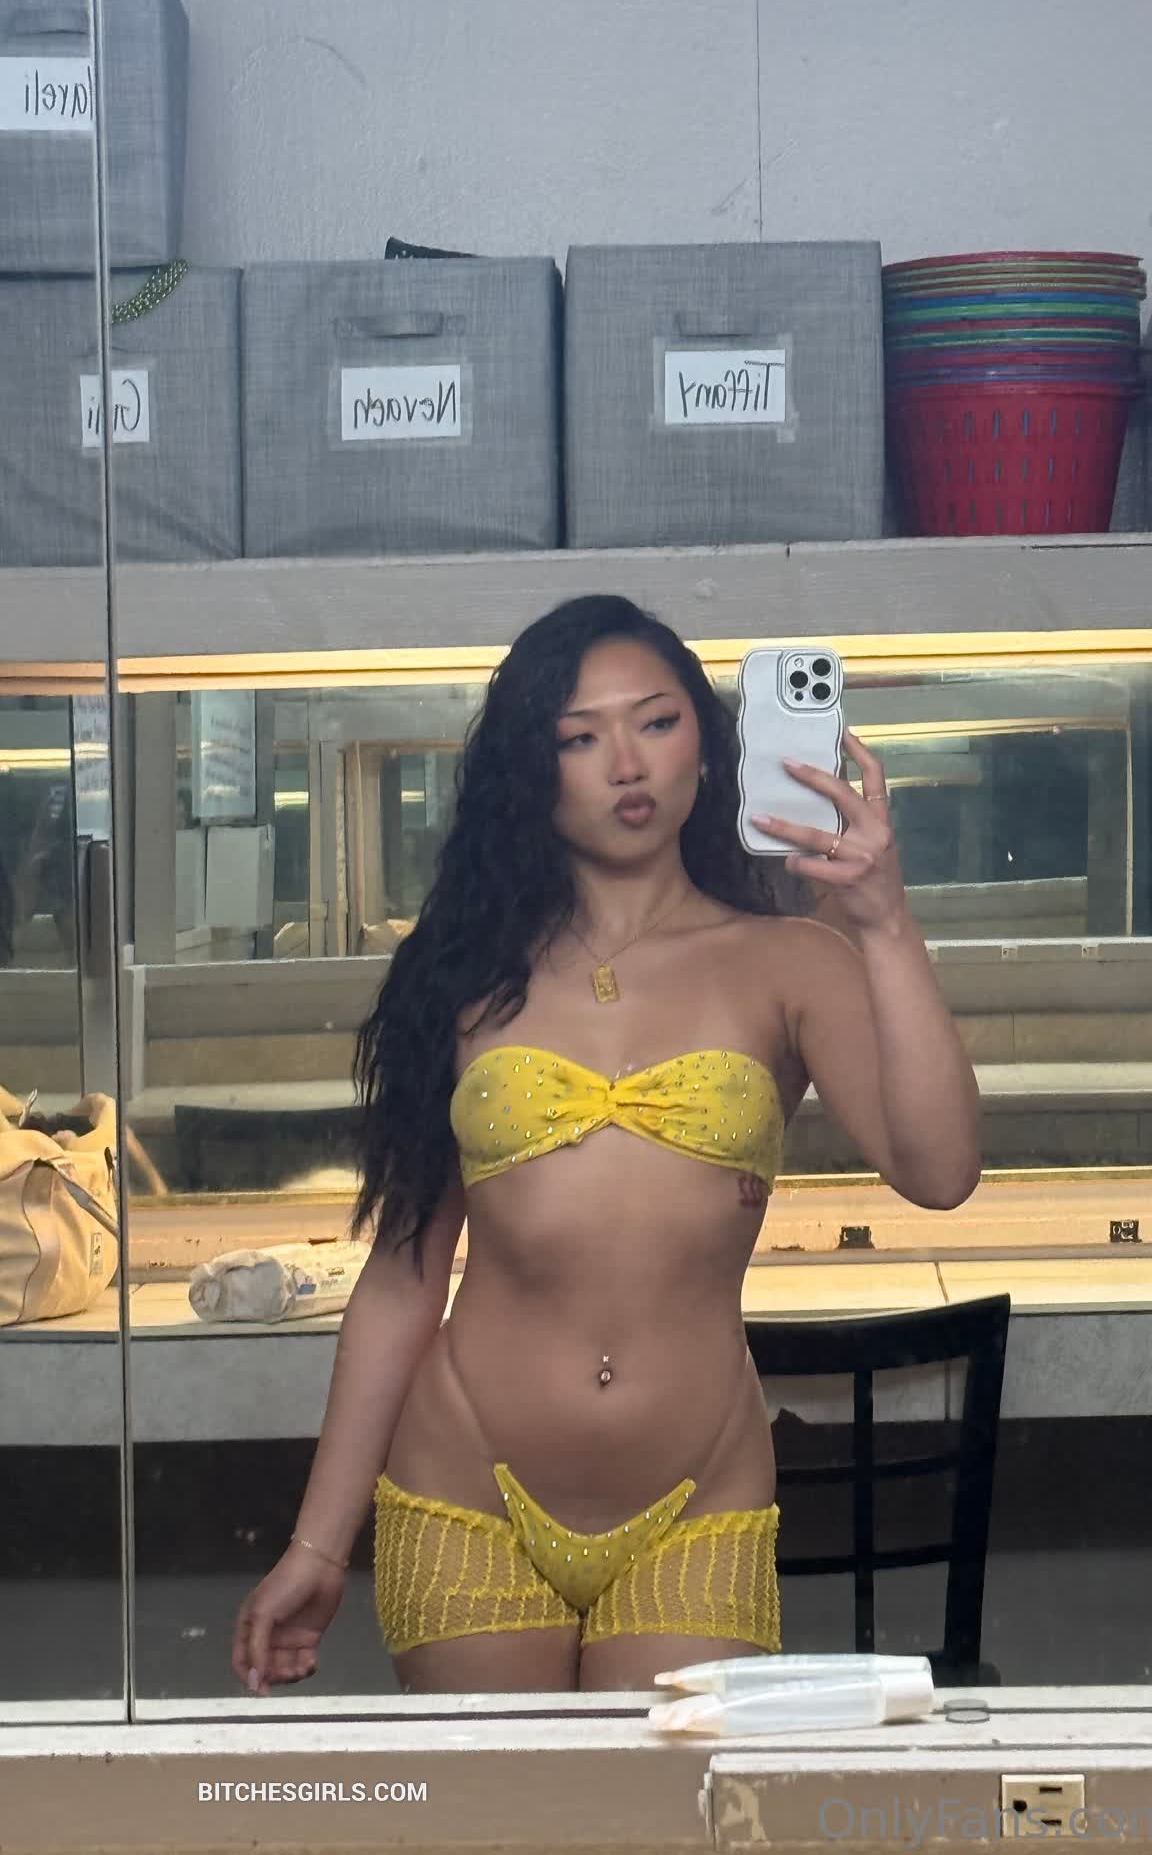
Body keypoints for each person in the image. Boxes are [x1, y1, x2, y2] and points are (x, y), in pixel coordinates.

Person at [231, 594, 980, 1696]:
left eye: (657, 723)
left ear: (707, 749)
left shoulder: (791, 961)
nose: (626, 764)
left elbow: (941, 1171)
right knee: (509, 1796)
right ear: (530, 774)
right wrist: (316, 1545)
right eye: (579, 738)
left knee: (666, 1792)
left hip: (699, 1497)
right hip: (465, 1485)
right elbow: (401, 1280)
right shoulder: (460, 975)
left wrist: (884, 920)